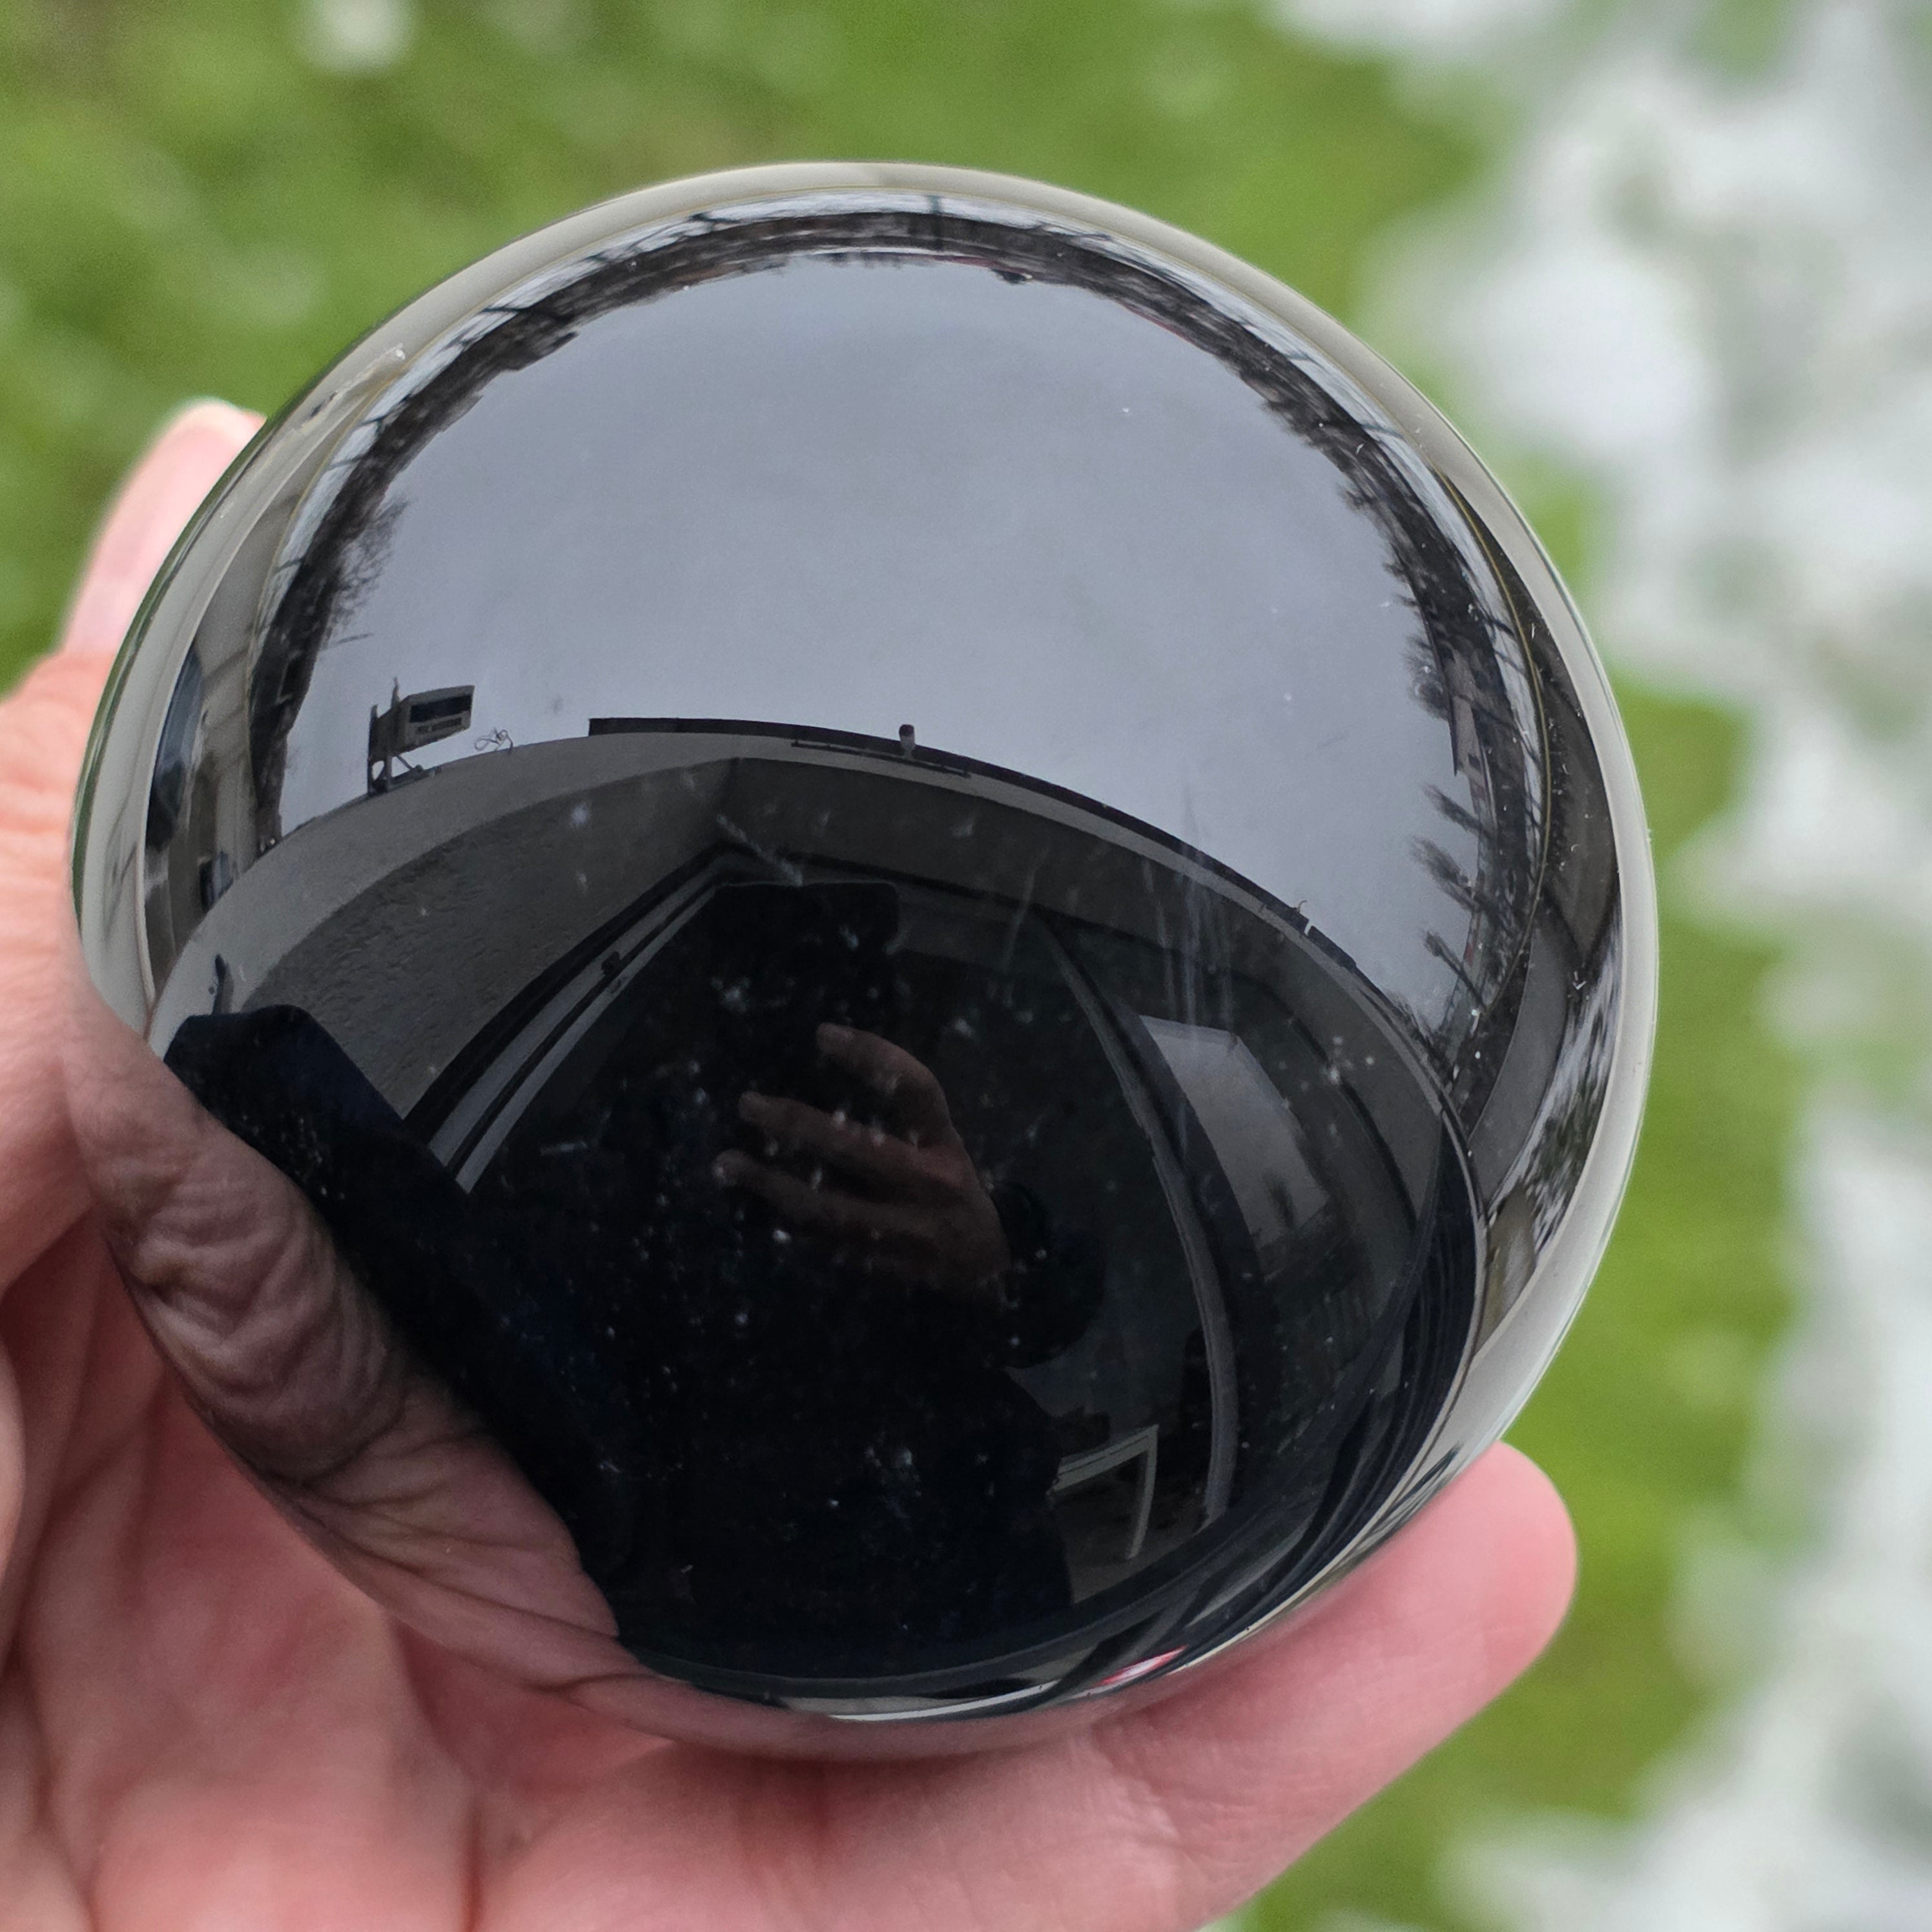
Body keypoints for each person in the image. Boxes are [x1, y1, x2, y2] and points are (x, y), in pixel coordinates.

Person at [0, 402, 1576, 1929]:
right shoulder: (629, 1124)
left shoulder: (1003, 1194)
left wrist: (982, 1254)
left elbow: (1066, 1293)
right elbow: (497, 1264)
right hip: (663, 1507)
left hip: (950, 1533)